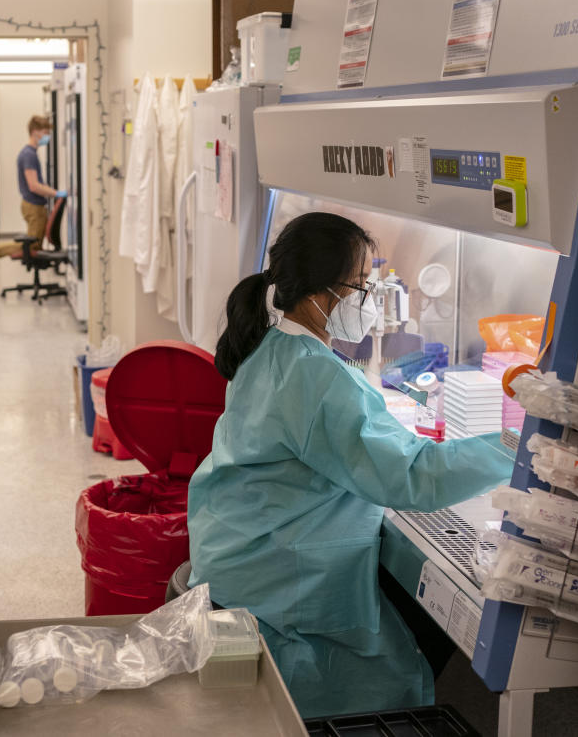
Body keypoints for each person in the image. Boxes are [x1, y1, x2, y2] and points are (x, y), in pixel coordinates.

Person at [187, 212, 513, 719]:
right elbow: (414, 477)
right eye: (359, 285)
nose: (367, 298)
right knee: (394, 669)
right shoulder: (315, 376)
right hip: (276, 585)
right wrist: (517, 447)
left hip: (239, 554)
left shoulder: (271, 345)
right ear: (320, 294)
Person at [0, 114, 66, 273]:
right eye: (45, 132)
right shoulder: (29, 155)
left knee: (35, 244)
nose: (47, 136)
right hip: (33, 205)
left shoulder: (30, 153)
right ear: (35, 132)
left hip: (34, 204)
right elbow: (34, 185)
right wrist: (56, 193)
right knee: (32, 245)